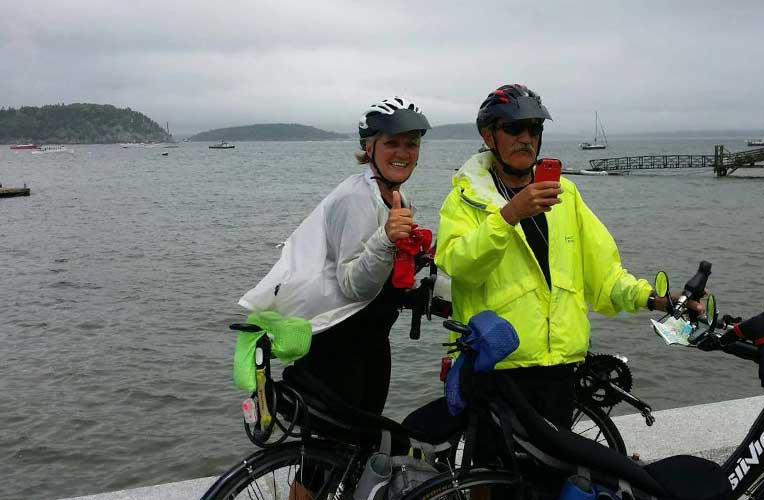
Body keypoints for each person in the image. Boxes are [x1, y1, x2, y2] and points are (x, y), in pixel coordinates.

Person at [435, 84, 673, 434]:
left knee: (549, 479)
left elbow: (604, 275)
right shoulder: (465, 199)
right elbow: (460, 267)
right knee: (493, 478)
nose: (526, 138)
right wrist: (507, 217)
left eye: (535, 129)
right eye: (514, 128)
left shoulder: (566, 195)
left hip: (559, 367)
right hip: (497, 367)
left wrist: (655, 298)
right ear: (489, 136)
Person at [239, 96, 431, 415]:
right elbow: (354, 286)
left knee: (361, 444)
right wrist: (385, 238)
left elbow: (384, 272)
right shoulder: (356, 198)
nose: (403, 153)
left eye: (411, 144)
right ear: (369, 147)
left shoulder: (396, 196)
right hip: (338, 347)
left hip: (368, 340)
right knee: (337, 451)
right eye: (391, 143)